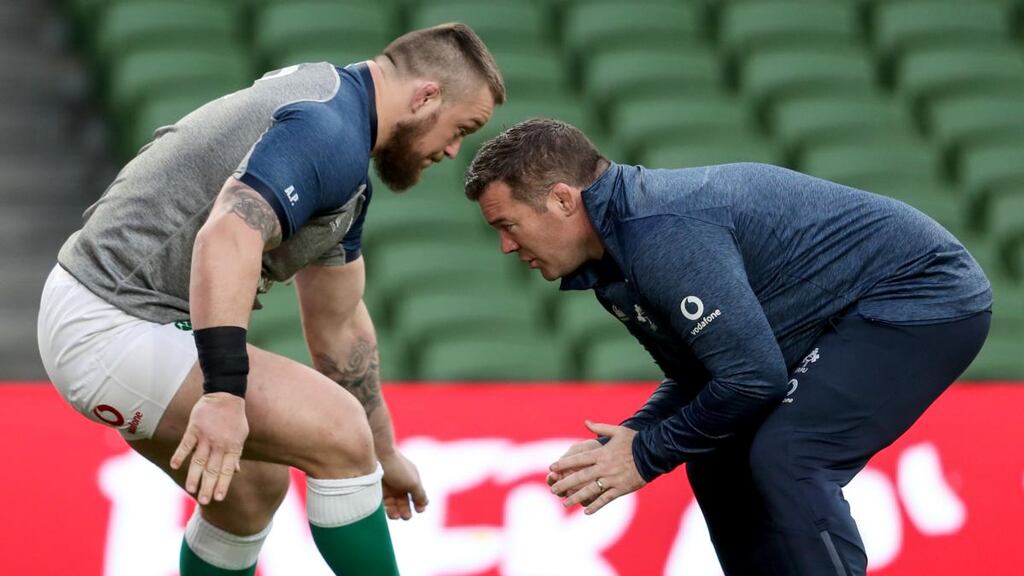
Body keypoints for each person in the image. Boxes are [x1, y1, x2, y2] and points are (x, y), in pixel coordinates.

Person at [37, 23, 504, 576]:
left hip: (108, 318)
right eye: (460, 128)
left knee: (252, 491)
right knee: (337, 430)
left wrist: (383, 454)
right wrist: (224, 397)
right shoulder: (328, 132)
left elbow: (340, 326)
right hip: (112, 321)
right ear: (425, 97)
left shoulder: (343, 144)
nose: (452, 150)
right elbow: (228, 234)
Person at [463, 118, 991, 575]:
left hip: (922, 295)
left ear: (562, 198)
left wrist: (644, 455)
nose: (507, 246)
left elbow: (754, 380)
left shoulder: (661, 237)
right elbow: (705, 377)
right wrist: (635, 434)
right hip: (841, 308)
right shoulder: (613, 259)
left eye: (509, 225)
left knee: (788, 454)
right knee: (714, 457)